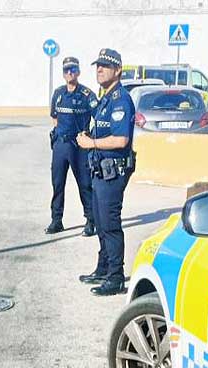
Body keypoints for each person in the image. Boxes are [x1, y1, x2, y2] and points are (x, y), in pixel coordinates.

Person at [76, 48, 136, 297]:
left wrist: (91, 143)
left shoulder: (121, 99)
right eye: (97, 66)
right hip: (100, 169)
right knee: (100, 222)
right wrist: (89, 136)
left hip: (113, 171)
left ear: (118, 70)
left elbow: (121, 140)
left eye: (105, 66)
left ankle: (115, 277)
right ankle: (103, 268)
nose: (99, 70)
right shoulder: (105, 99)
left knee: (110, 224)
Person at [46, 56, 98, 236]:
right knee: (57, 184)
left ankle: (90, 220)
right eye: (66, 70)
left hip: (79, 146)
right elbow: (55, 117)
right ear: (63, 73)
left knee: (85, 184)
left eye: (73, 69)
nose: (70, 73)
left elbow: (99, 117)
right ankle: (56, 220)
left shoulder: (87, 95)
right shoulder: (58, 93)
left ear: (78, 72)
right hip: (61, 144)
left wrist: (89, 136)